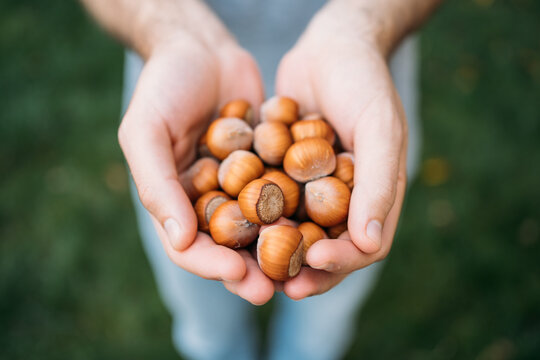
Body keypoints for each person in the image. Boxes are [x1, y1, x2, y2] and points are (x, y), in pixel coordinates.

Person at [81, 0, 442, 358]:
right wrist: (172, 32)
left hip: (356, 89)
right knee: (205, 314)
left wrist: (362, 26)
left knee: (325, 312)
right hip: (184, 95)